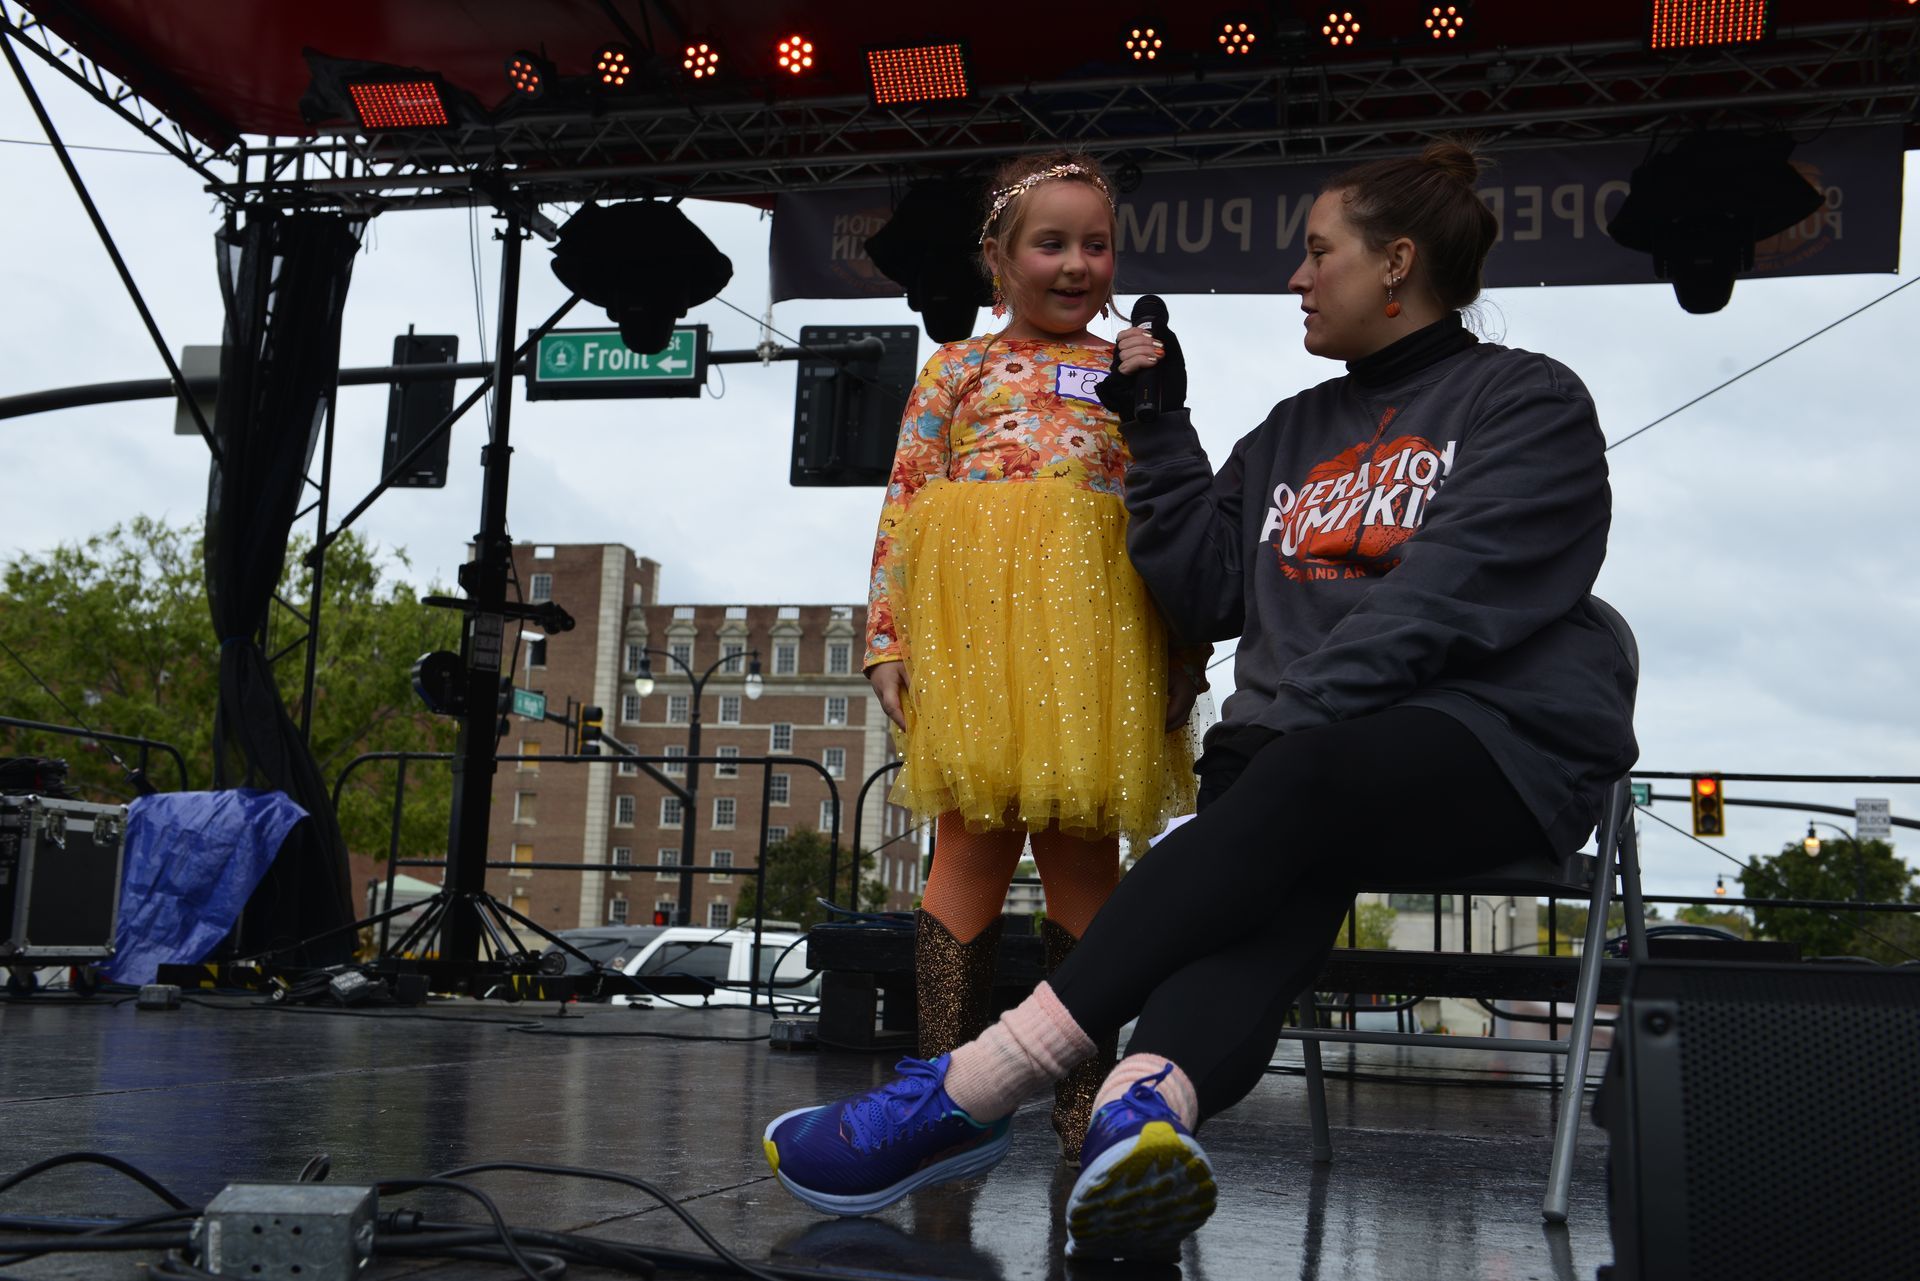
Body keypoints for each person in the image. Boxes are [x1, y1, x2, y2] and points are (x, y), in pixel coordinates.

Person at [763, 138, 1637, 1261]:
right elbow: (1203, 588)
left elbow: (1447, 596)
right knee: (1263, 893)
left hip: (1487, 744)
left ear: (1396, 265)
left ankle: (968, 1091)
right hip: (1305, 776)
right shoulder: (1288, 434)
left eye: (1319, 254)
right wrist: (1159, 423)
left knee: (1290, 788)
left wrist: (1277, 726)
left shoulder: (1526, 398)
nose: (1297, 279)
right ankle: (1143, 1114)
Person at [859, 151, 1199, 1165]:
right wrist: (888, 636)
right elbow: (905, 505)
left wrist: (1184, 646)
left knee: (1086, 852)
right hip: (975, 642)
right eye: (1050, 243)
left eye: (1096, 245)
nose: (1077, 264)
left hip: (1095, 649)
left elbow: (1171, 507)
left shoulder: (1127, 370)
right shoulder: (953, 370)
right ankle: (944, 1096)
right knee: (966, 843)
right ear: (998, 260)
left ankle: (1085, 1103)